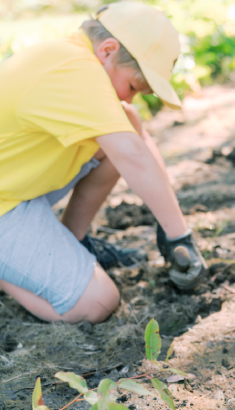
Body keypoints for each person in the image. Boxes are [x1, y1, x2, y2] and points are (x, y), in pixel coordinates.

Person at [0, 2, 206, 325]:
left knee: (127, 122)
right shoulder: (76, 72)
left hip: (14, 186)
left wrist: (170, 220)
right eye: (134, 87)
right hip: (4, 207)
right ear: (108, 50)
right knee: (99, 301)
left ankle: (72, 241)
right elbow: (133, 155)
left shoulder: (70, 57)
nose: (129, 98)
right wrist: (179, 236)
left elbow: (135, 140)